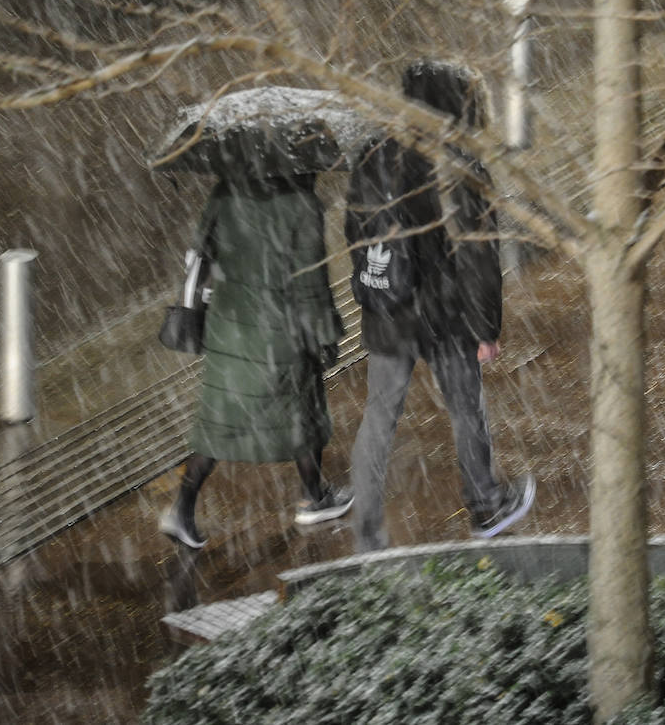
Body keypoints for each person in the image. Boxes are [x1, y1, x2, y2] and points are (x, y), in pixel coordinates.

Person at [344, 60, 534, 553]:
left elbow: (353, 232)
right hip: (445, 313)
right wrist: (486, 326)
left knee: (379, 417)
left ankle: (367, 532)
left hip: (388, 309)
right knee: (466, 410)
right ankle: (485, 503)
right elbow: (477, 254)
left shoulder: (373, 152)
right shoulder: (459, 160)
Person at [159, 172, 353, 549]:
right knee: (303, 412)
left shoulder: (226, 188)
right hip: (280, 332)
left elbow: (200, 251)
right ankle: (313, 497)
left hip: (228, 326)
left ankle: (181, 509)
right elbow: (311, 284)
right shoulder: (301, 204)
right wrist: (326, 333)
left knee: (219, 423)